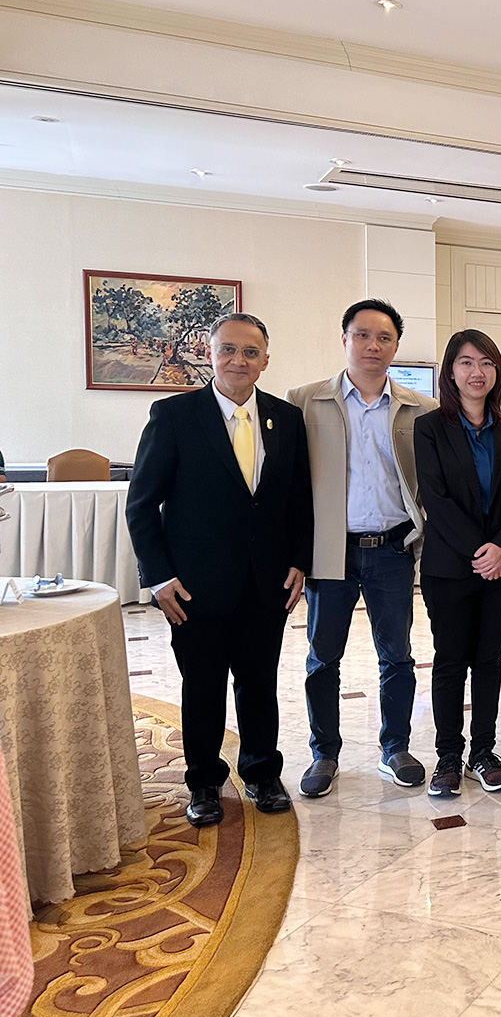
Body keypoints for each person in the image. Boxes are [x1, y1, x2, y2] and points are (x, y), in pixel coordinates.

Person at [126, 313, 313, 827]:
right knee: (203, 686)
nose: (238, 360)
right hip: (195, 585)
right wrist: (158, 576)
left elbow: (298, 498)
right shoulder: (174, 416)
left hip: (266, 582)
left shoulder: (286, 418)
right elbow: (142, 504)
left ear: (265, 360)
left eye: (250, 352)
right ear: (209, 354)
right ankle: (204, 781)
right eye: (228, 349)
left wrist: (300, 560)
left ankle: (262, 772)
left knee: (259, 683)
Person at [286, 299, 438, 797]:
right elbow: (289, 485)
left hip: (392, 550)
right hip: (330, 551)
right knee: (322, 657)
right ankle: (324, 754)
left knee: (397, 655)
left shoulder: (421, 408)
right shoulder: (304, 401)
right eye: (363, 335)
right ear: (345, 339)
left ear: (395, 346)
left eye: (384, 337)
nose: (373, 346)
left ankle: (395, 747)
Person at [413, 330, 501, 798]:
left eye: (486, 362)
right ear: (451, 371)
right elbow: (435, 498)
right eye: (466, 362)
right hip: (450, 566)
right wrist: (480, 552)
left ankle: (483, 753)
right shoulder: (429, 427)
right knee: (450, 661)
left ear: (496, 371)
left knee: (488, 660)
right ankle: (448, 756)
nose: (476, 372)